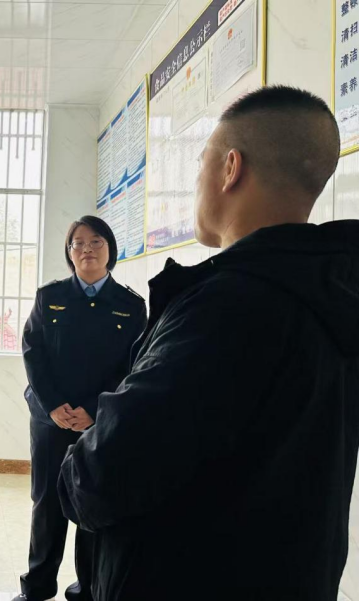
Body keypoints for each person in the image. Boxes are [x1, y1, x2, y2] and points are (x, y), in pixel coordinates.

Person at [58, 85, 359, 600]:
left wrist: (74, 466)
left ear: (230, 168)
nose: (197, 182)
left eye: (201, 164)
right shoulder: (331, 291)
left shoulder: (228, 307)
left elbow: (105, 475)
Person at [16, 216, 146, 601]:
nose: (87, 249)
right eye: (78, 243)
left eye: (96, 241)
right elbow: (33, 353)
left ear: (110, 249)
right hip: (50, 419)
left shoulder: (130, 305)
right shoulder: (49, 297)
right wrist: (54, 406)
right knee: (46, 503)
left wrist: (93, 410)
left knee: (92, 502)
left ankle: (87, 589)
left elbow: (134, 365)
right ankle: (37, 586)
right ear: (69, 252)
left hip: (101, 421)